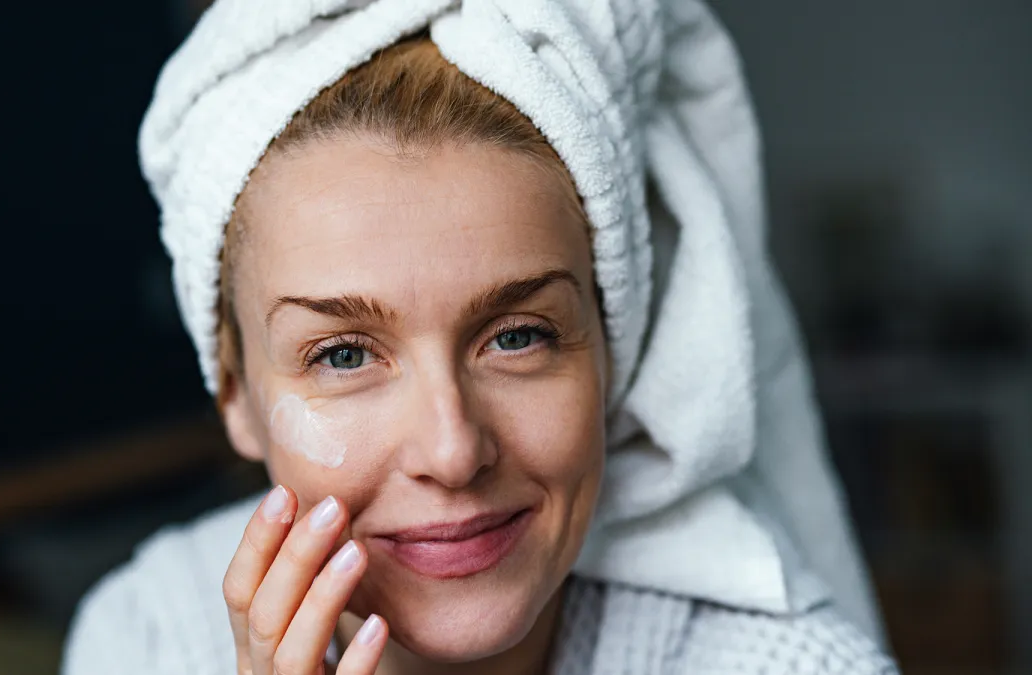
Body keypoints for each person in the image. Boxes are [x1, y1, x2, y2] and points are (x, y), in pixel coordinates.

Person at [62, 1, 898, 673]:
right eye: (344, 353)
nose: (453, 451)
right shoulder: (145, 635)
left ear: (618, 350)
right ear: (236, 391)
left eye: (518, 337)